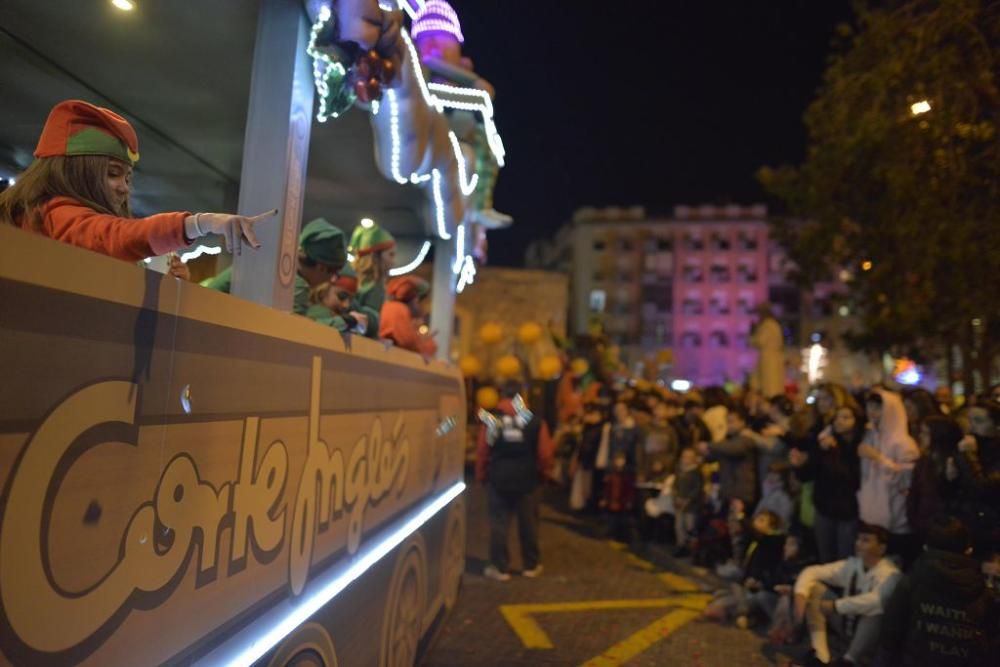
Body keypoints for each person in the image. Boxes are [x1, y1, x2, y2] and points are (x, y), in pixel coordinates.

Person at [0, 99, 273, 263]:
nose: (124, 188)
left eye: (127, 178)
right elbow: (112, 238)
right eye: (112, 173)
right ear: (74, 171)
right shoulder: (52, 213)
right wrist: (201, 223)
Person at [879, 514, 999, 667]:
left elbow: (890, 634)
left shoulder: (913, 581)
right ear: (968, 550)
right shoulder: (983, 589)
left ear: (926, 547)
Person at [476, 383, 555, 581]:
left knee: (499, 524)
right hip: (528, 478)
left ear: (501, 397)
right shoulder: (535, 421)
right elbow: (545, 454)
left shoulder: (492, 420)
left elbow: (483, 451)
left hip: (499, 477)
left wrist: (481, 475)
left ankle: (500, 567)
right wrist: (544, 473)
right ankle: (531, 565)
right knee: (529, 523)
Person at [793, 523, 900, 666]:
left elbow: (877, 601)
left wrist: (837, 606)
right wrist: (800, 594)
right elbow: (812, 571)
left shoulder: (891, 573)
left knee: (875, 611)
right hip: (848, 626)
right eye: (858, 539)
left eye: (866, 540)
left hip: (871, 638)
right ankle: (820, 656)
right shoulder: (853, 565)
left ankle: (849, 660)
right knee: (815, 589)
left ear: (881, 548)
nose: (858, 544)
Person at [202, 217, 347, 317]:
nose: (332, 280)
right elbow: (294, 327)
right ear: (322, 267)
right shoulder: (291, 283)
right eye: (335, 273)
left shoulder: (276, 265)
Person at [791, 404, 864, 563]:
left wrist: (835, 451)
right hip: (824, 508)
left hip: (848, 510)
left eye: (846, 417)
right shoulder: (824, 443)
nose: (840, 421)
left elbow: (851, 477)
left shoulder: (858, 446)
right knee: (826, 557)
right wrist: (799, 465)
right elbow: (809, 474)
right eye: (837, 417)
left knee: (845, 558)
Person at [857, 388, 920, 568]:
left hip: (897, 519)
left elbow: (906, 479)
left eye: (877, 407)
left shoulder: (903, 442)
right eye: (869, 406)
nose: (872, 412)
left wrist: (878, 458)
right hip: (873, 517)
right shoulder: (872, 437)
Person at [954, 399, 1000, 558]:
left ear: (996, 425)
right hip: (967, 528)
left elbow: (982, 487)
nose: (972, 426)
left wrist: (969, 456)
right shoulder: (968, 446)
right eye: (970, 420)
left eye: (979, 421)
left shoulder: (974, 451)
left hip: (991, 533)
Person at [906, 416, 962, 542]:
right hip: (921, 523)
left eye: (925, 433)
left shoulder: (951, 461)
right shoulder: (925, 459)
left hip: (941, 528)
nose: (921, 436)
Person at [349, 220, 396, 338]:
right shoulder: (376, 287)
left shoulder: (351, 278)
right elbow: (369, 324)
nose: (393, 262)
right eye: (391, 254)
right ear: (376, 256)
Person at [379, 275, 437, 356]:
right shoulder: (398, 309)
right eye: (418, 300)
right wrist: (426, 338)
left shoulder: (388, 306)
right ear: (414, 299)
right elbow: (410, 344)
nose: (420, 306)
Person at [306, 265, 368, 334]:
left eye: (351, 300)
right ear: (323, 289)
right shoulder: (316, 314)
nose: (346, 305)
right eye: (341, 296)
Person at [671, 447, 705, 557]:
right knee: (679, 526)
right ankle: (681, 545)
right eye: (684, 456)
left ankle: (690, 548)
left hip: (691, 506)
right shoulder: (679, 470)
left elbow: (697, 488)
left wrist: (688, 500)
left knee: (690, 526)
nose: (686, 459)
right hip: (679, 504)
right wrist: (676, 496)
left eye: (689, 457)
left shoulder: (696, 472)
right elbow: (675, 485)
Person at [750, 303, 785, 398]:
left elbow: (760, 341)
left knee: (769, 384)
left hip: (768, 359)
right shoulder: (774, 325)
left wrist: (752, 336)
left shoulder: (767, 325)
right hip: (773, 358)